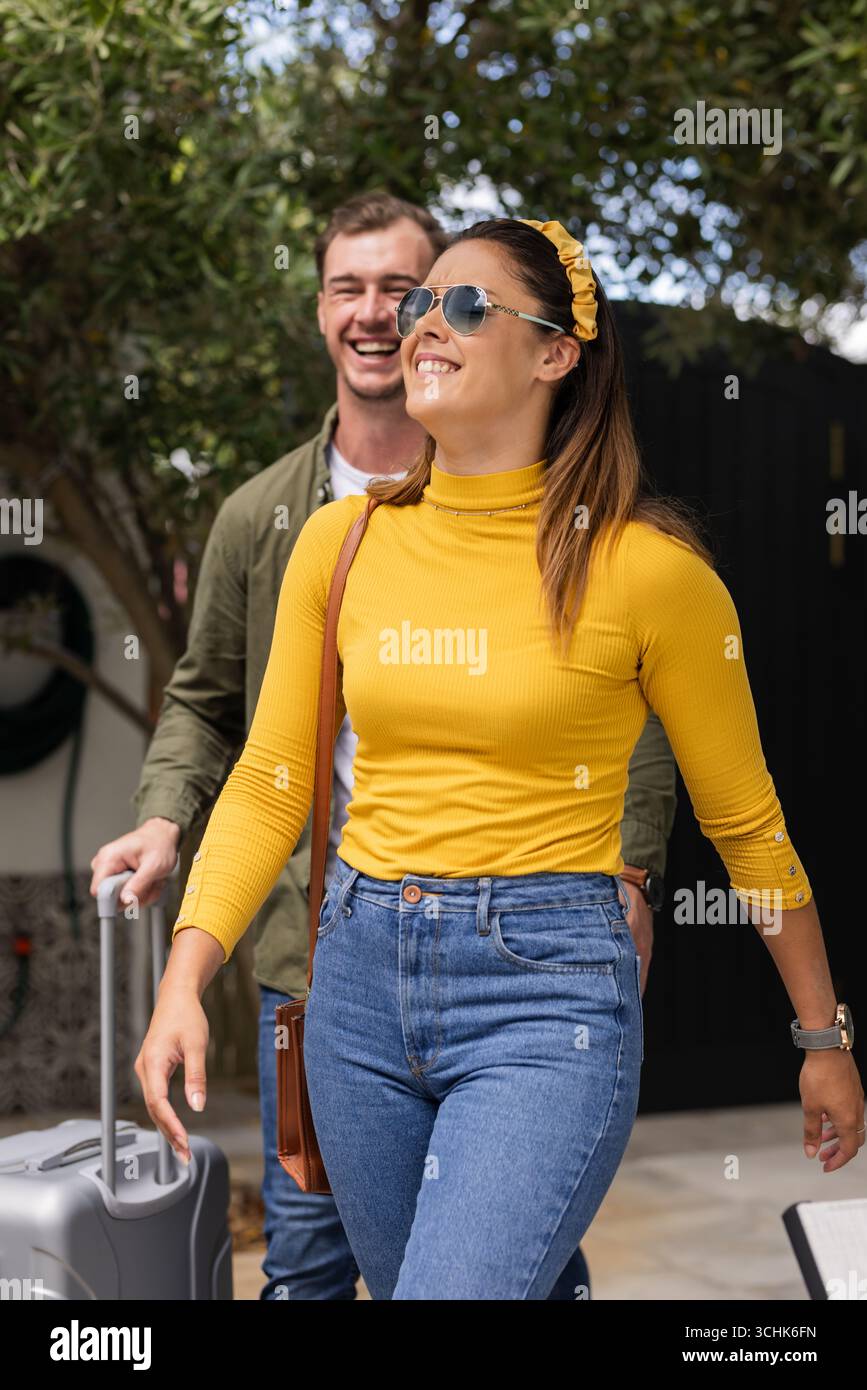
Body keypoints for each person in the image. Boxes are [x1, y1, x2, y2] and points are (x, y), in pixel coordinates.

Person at [89, 194, 678, 1301]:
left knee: (501, 1251)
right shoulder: (267, 518)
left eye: (411, 291)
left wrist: (631, 869)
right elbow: (211, 705)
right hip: (320, 951)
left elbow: (631, 710)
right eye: (350, 290)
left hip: (521, 940)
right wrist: (169, 819)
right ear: (320, 311)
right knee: (312, 1263)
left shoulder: (578, 525)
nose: (385, 316)